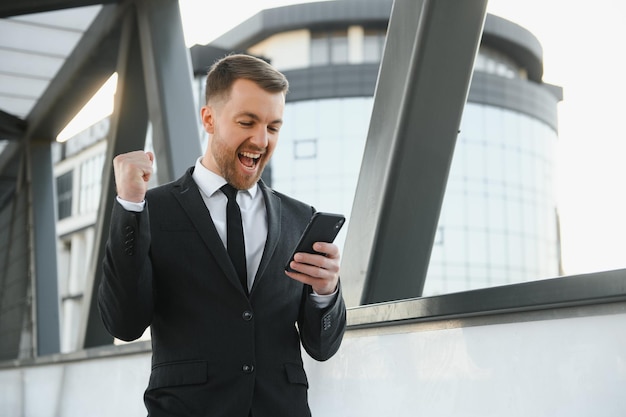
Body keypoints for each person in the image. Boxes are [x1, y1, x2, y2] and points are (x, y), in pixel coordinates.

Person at [98, 54, 347, 417]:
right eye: (247, 121)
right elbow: (124, 323)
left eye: (273, 127)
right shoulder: (152, 210)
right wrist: (130, 206)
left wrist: (326, 293)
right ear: (209, 119)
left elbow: (322, 347)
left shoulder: (299, 218)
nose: (261, 140)